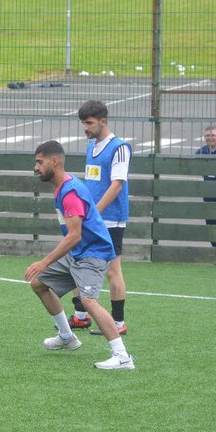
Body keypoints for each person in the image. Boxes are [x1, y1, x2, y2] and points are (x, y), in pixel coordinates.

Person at [26, 141, 134, 370]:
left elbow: (74, 235)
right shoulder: (62, 186)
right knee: (39, 284)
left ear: (54, 162)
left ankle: (122, 356)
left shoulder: (70, 192)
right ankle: (67, 337)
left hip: (93, 253)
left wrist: (45, 261)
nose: (36, 167)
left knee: (88, 301)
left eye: (39, 162)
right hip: (79, 251)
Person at [68, 100, 130, 336]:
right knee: (78, 263)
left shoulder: (119, 148)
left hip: (110, 219)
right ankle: (81, 317)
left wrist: (93, 212)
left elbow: (116, 185)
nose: (85, 127)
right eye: (83, 123)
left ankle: (118, 323)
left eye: (89, 123)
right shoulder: (91, 147)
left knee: (113, 270)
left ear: (103, 121)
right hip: (91, 219)